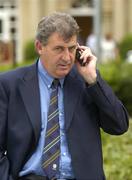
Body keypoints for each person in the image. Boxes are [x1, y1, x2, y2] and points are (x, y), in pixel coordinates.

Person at [0, 12, 129, 180]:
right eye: (59, 49)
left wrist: (93, 81)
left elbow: (119, 126)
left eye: (72, 48)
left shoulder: (86, 82)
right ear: (39, 47)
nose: (67, 57)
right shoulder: (9, 85)